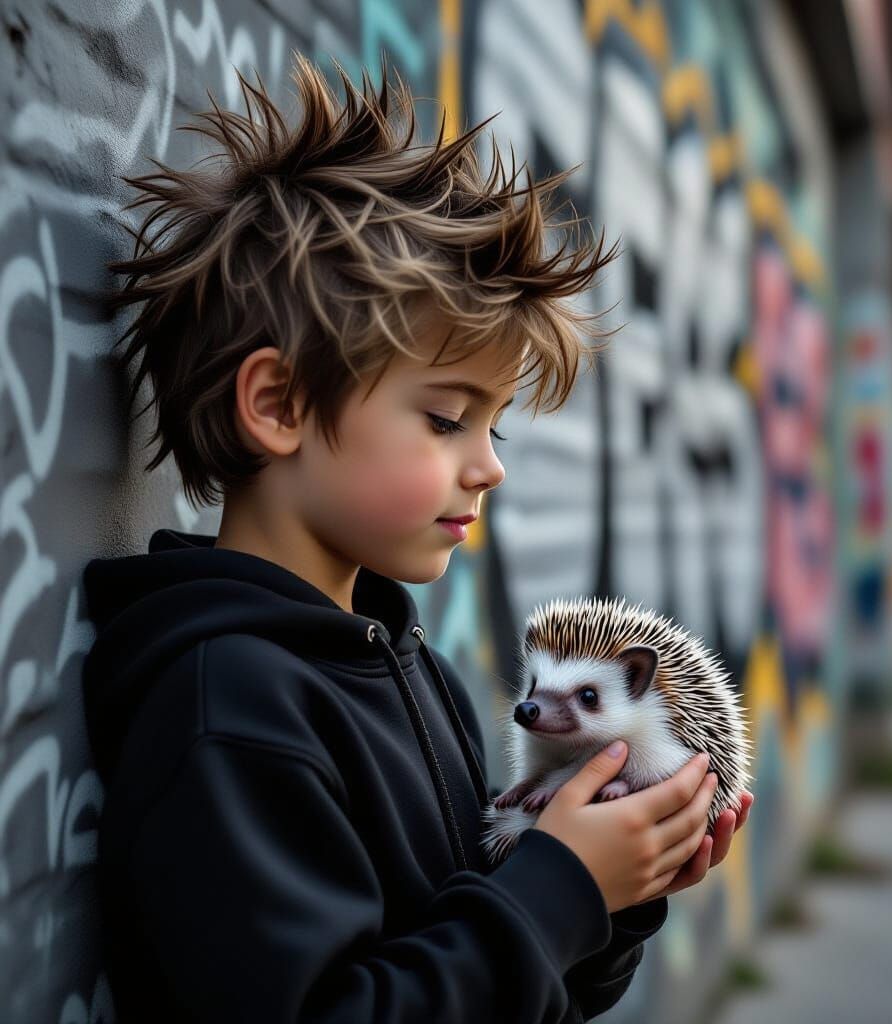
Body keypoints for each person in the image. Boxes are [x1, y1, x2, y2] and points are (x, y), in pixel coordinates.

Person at [81, 51, 753, 1023]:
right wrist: (558, 887)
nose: (489, 467)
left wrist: (613, 894)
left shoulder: (411, 668)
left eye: (495, 428)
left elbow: (509, 983)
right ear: (278, 404)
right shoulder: (227, 707)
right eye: (446, 419)